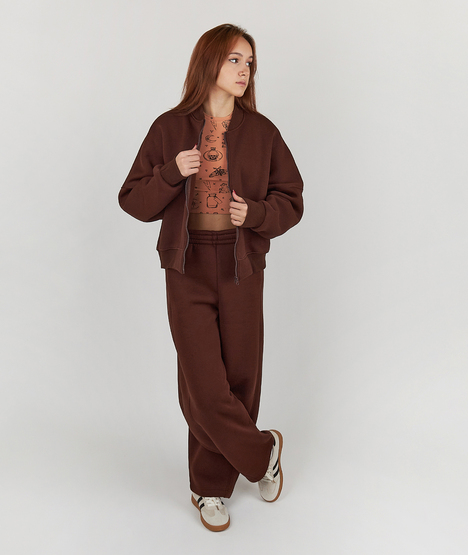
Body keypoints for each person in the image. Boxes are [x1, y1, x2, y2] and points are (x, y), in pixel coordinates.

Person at [118, 23, 303, 532]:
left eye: (249, 62)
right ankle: (259, 455)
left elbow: (292, 199)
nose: (244, 70)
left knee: (239, 378)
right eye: (234, 60)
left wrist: (256, 214)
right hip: (188, 266)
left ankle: (211, 487)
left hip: (242, 266)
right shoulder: (169, 128)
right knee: (203, 387)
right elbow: (132, 200)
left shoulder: (262, 132)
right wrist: (170, 173)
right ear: (209, 62)